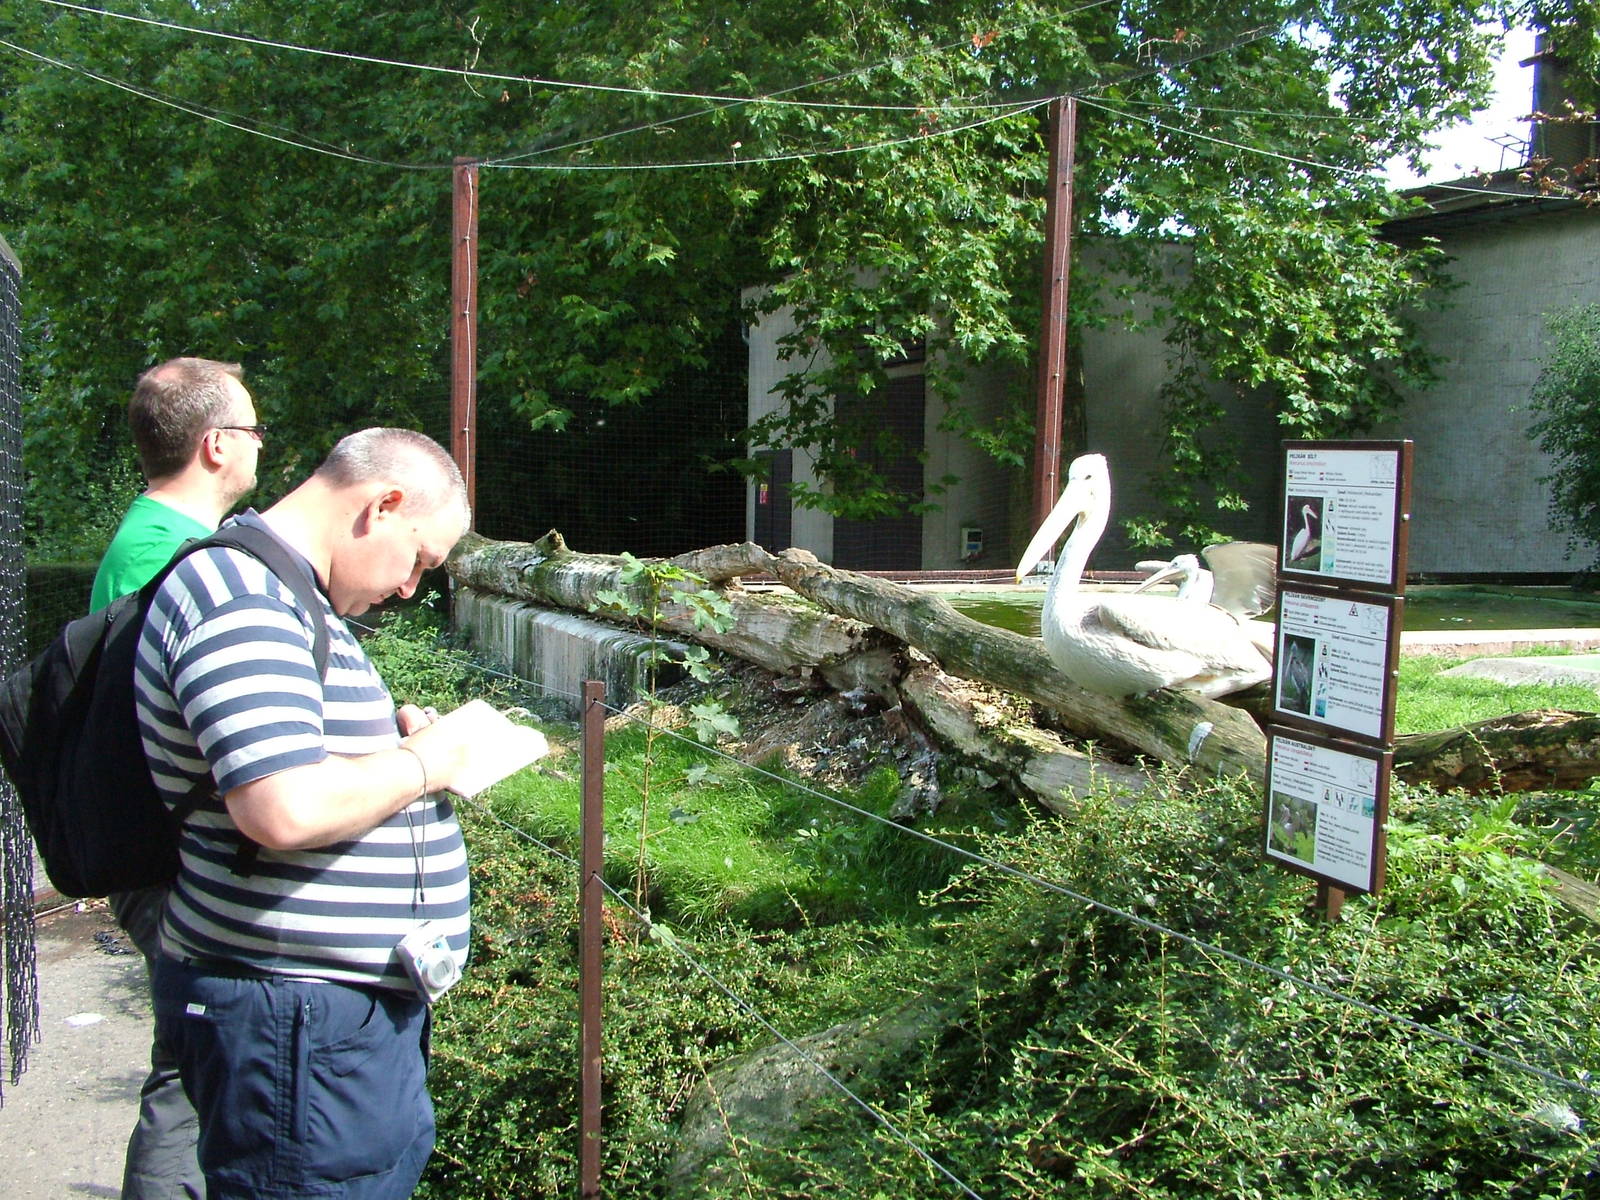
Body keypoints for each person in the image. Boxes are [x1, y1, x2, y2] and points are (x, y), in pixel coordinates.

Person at [135, 427, 484, 1199]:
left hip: (316, 1026)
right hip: (292, 1027)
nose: (409, 589)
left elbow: (288, 759)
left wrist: (404, 756)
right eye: (420, 561)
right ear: (382, 505)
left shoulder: (285, 592)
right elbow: (280, 806)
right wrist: (430, 761)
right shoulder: (244, 597)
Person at [90, 356, 264, 1200]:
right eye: (256, 429)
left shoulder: (160, 544)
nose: (264, 444)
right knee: (192, 1065)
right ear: (219, 445)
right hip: (170, 859)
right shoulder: (173, 560)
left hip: (163, 851)